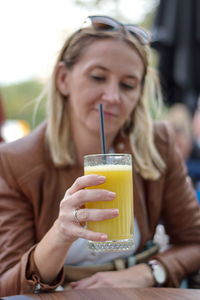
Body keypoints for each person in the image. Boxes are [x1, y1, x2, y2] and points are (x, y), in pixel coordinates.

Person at [0, 15, 200, 296]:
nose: (113, 96)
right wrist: (60, 235)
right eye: (97, 77)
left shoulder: (158, 144)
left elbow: (194, 242)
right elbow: (8, 284)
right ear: (63, 79)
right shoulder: (14, 161)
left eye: (128, 84)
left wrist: (147, 272)